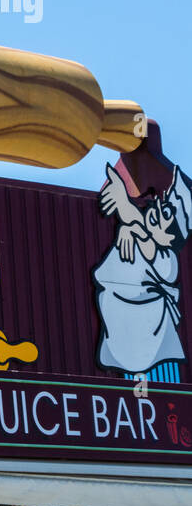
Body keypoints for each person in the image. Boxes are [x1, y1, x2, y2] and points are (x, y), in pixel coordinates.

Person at [94, 163, 191, 382]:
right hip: (120, 343)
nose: (157, 208)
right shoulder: (138, 237)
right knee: (127, 400)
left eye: (167, 213)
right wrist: (127, 218)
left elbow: (149, 248)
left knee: (163, 400)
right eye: (161, 205)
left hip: (155, 350)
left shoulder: (169, 260)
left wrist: (130, 221)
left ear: (171, 239)